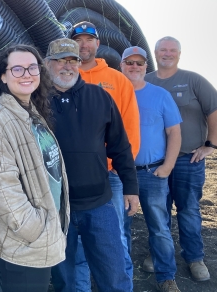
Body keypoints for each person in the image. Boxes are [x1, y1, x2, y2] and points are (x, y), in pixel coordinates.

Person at [46, 38, 139, 292]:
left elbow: (120, 146)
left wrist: (130, 187)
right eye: (60, 60)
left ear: (79, 63)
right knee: (66, 280)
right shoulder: (36, 103)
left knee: (114, 275)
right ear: (48, 64)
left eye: (73, 60)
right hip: (56, 208)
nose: (67, 66)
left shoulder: (100, 97)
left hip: (99, 204)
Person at [0, 44, 69, 292]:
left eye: (32, 67)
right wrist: (35, 230)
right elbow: (1, 189)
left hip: (41, 235)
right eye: (17, 69)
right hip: (27, 242)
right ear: (3, 77)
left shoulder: (30, 113)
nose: (26, 74)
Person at [69, 21, 141, 290]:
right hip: (75, 179)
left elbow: (129, 131)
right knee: (76, 246)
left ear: (98, 45)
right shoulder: (63, 78)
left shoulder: (117, 80)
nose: (84, 44)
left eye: (90, 39)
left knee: (115, 241)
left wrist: (118, 170)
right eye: (79, 40)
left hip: (109, 177)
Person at [145, 36, 217, 282]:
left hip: (189, 160)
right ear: (155, 53)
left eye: (172, 50)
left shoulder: (193, 80)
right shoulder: (145, 81)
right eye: (162, 50)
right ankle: (158, 255)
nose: (167, 53)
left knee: (188, 210)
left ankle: (194, 257)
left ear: (179, 54)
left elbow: (214, 110)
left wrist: (211, 145)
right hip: (155, 162)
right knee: (158, 211)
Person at [121, 46, 182, 292]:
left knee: (159, 227)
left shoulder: (160, 95)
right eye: (129, 62)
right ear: (121, 66)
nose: (134, 67)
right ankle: (122, 278)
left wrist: (167, 167)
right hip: (121, 175)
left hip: (152, 174)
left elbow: (174, 132)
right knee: (121, 227)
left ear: (147, 67)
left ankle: (166, 277)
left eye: (139, 63)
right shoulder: (112, 94)